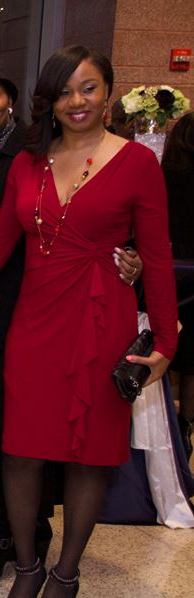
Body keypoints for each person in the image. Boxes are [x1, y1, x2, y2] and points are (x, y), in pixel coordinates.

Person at [0, 45, 177, 597]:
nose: (77, 101)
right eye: (65, 91)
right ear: (49, 100)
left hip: (101, 322)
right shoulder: (27, 163)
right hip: (34, 323)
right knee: (20, 450)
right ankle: (28, 567)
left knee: (89, 457)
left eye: (89, 88)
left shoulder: (138, 162)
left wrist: (166, 343)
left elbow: (158, 257)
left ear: (108, 93)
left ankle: (66, 573)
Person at [164, 112, 194, 457]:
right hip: (192, 278)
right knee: (191, 365)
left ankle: (166, 426)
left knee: (165, 351)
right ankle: (186, 424)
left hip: (169, 277)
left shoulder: (164, 175)